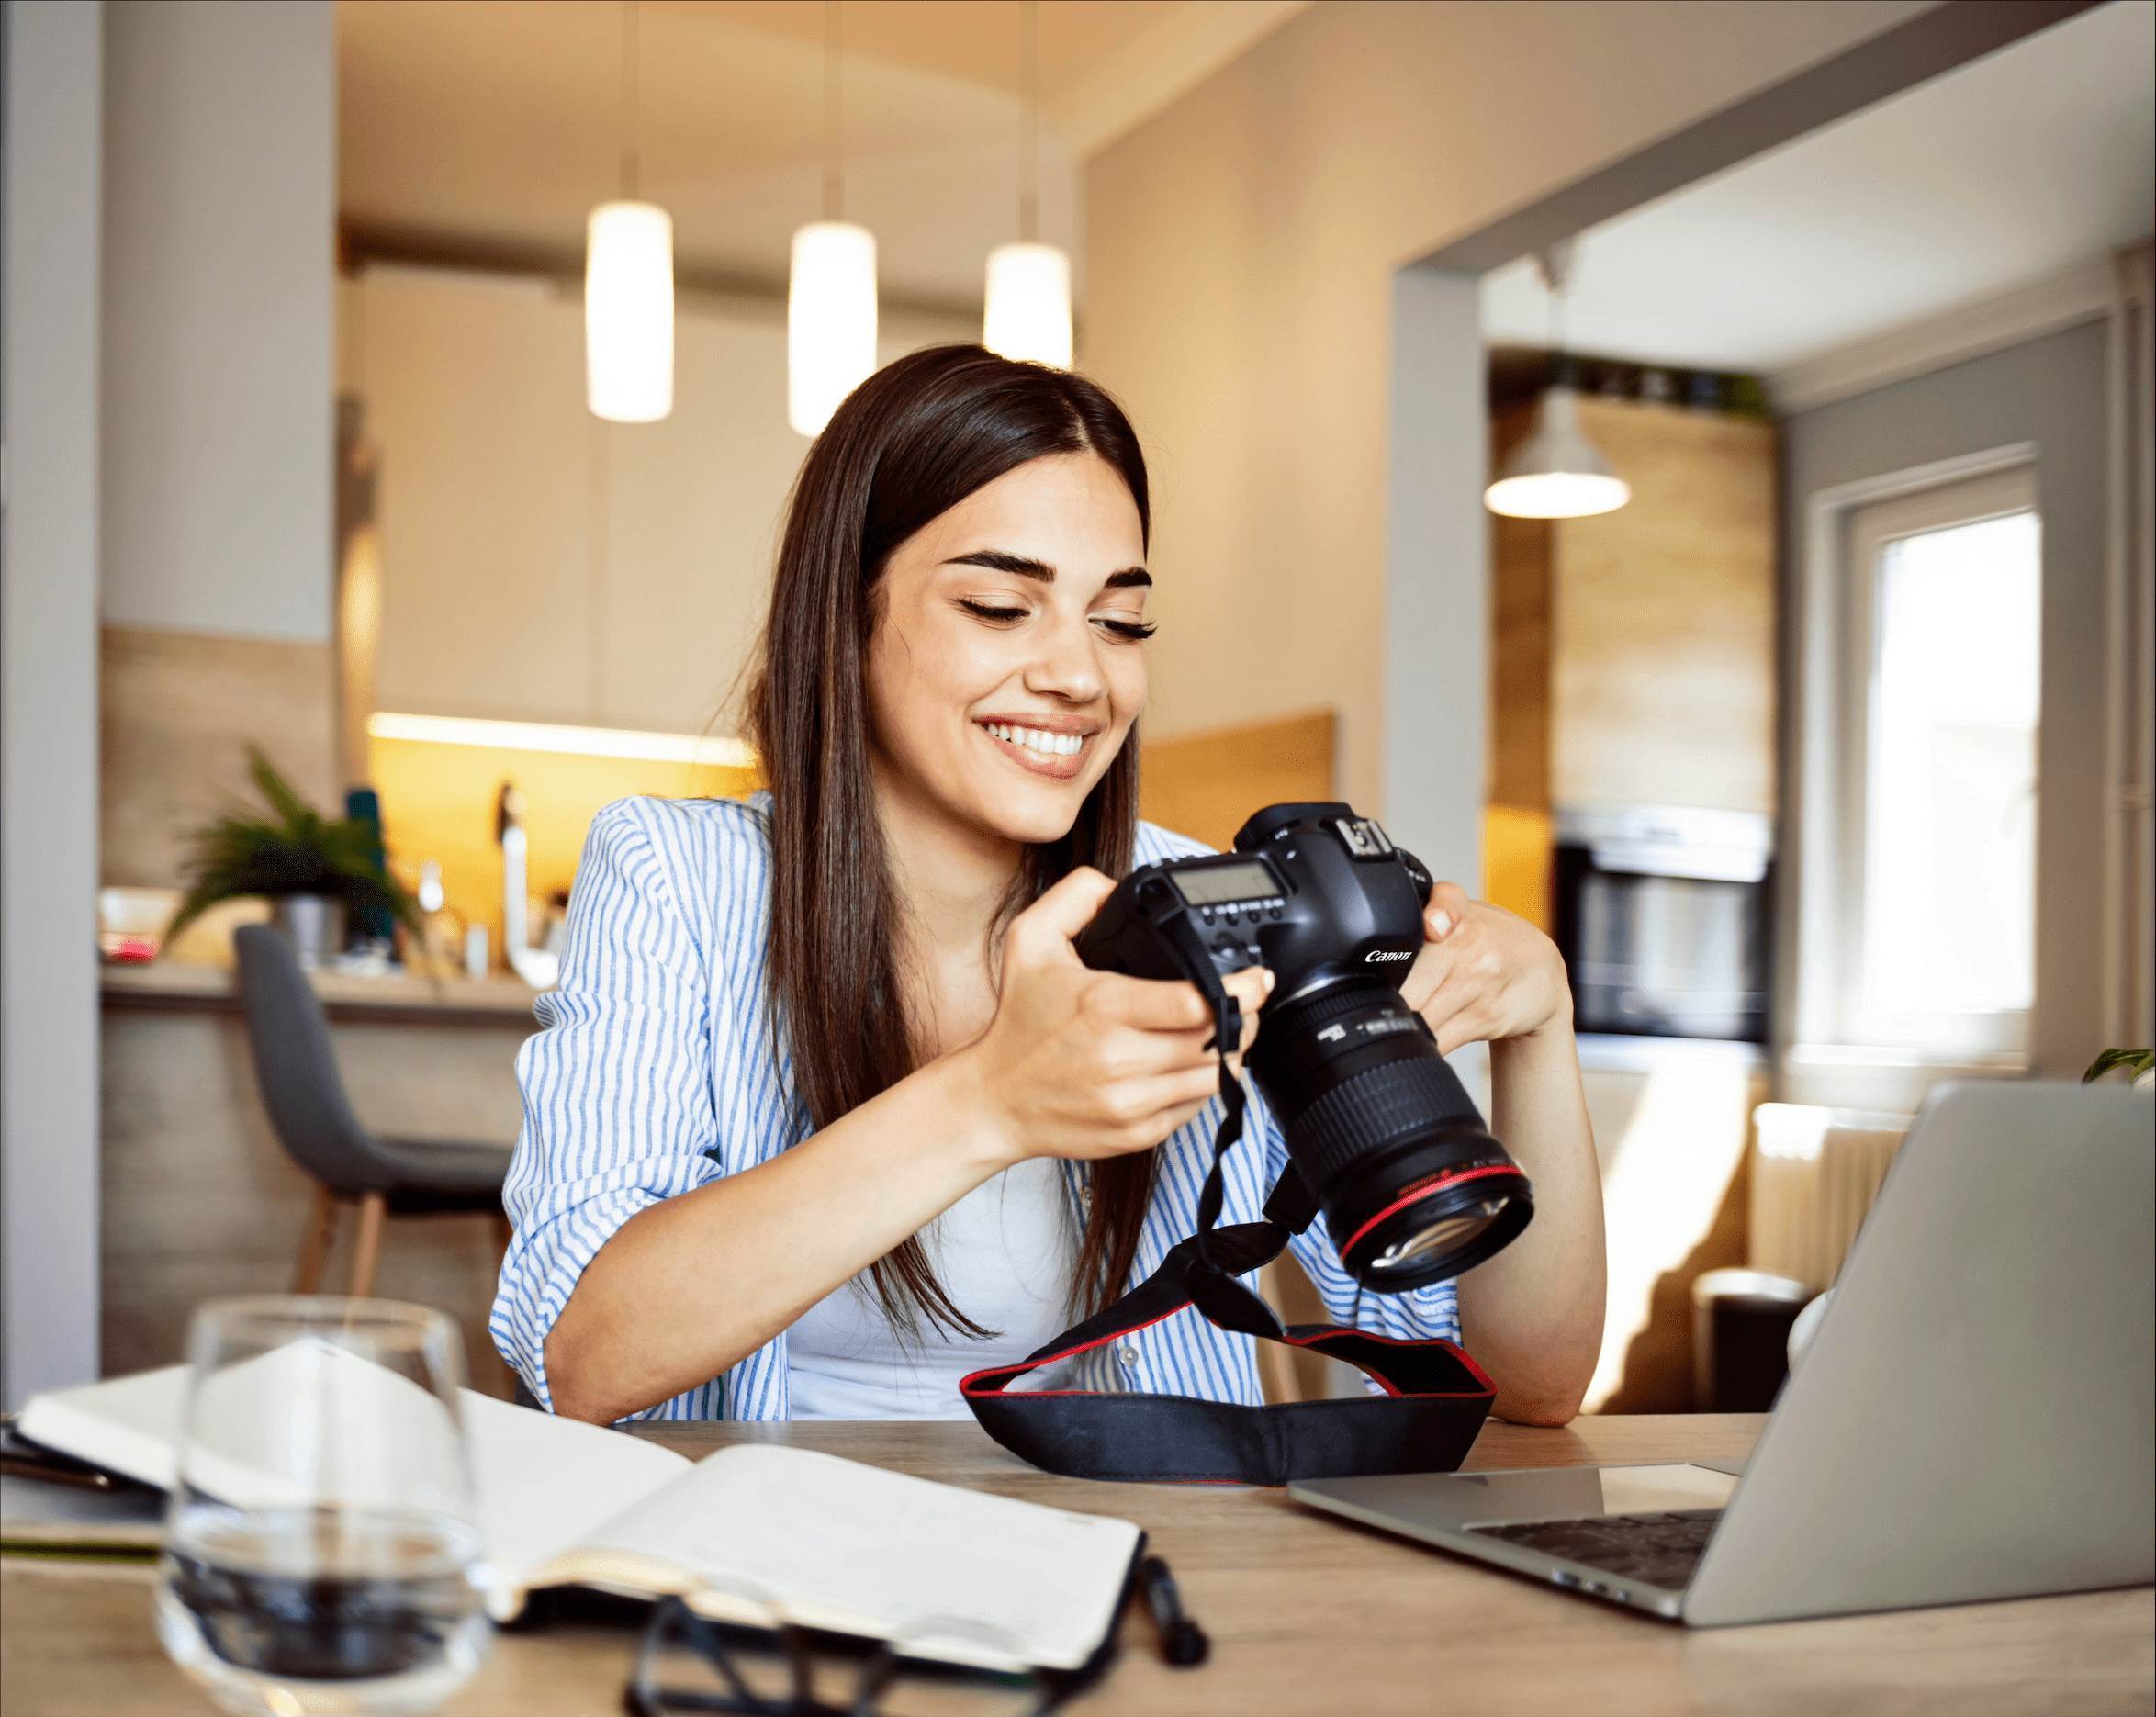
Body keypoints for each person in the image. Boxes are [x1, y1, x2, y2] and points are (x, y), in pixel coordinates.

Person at [490, 345, 1605, 1429]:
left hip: (1136, 1570)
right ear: (846, 616)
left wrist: (1540, 1025)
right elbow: (582, 1353)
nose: (1079, 675)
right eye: (997, 607)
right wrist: (989, 1099)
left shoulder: (1207, 905)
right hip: (768, 1577)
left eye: (1120, 622)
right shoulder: (678, 877)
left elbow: (1526, 1385)